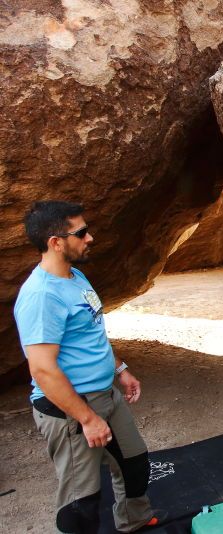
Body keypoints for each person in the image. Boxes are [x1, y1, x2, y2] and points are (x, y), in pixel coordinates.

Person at [13, 201, 164, 533]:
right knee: (82, 501)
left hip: (104, 395)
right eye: (81, 233)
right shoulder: (41, 296)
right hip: (71, 409)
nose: (90, 237)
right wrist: (87, 419)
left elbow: (92, 333)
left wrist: (119, 367)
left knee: (135, 464)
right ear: (55, 242)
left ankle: (135, 522)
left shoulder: (75, 276)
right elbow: (42, 370)